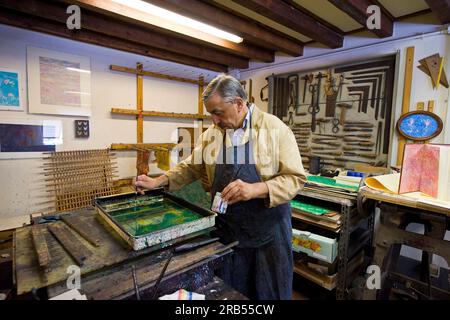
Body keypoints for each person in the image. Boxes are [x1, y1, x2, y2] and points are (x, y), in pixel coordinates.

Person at [133, 74, 306, 300]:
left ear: (238, 103)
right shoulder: (212, 135)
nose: (214, 120)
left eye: (218, 112)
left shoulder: (274, 130)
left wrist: (255, 189)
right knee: (231, 292)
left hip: (268, 234)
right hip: (229, 232)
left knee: (268, 293)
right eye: (211, 113)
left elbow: (295, 179)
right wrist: (158, 181)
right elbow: (191, 167)